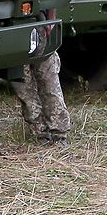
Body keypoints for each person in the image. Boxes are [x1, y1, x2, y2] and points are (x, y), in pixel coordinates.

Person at [12, 10, 70, 143]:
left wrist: (51, 20)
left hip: (38, 21)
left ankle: (59, 132)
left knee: (48, 79)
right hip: (13, 26)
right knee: (23, 84)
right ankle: (40, 132)